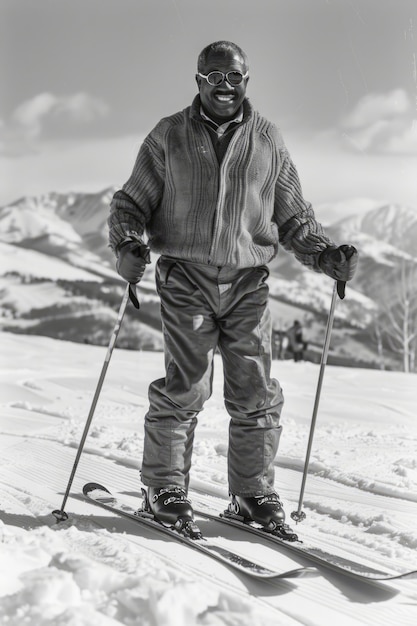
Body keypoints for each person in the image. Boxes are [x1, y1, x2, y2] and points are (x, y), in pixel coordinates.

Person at [108, 40, 358, 537]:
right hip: (186, 277)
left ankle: (252, 493)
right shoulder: (169, 136)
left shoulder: (267, 139)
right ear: (198, 80)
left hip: (248, 282)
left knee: (256, 391)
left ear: (247, 80)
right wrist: (128, 245)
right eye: (214, 76)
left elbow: (292, 216)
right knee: (186, 386)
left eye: (234, 76)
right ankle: (164, 488)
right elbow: (131, 202)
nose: (224, 85)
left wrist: (326, 255)